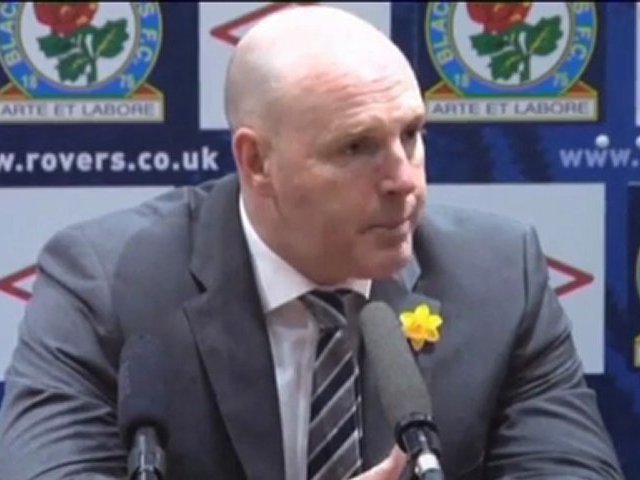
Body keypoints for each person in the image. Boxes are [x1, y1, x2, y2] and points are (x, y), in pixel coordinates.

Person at [0, 5, 623, 480]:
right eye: (356, 147)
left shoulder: (499, 278)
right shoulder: (105, 283)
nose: (404, 180)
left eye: (411, 135)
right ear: (257, 162)